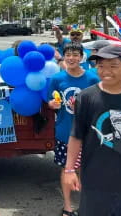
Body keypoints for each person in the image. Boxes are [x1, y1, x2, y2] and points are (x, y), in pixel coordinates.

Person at [64, 45, 121, 215]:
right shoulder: (86, 97)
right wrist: (69, 170)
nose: (105, 71)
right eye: (101, 66)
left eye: (113, 66)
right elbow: (76, 135)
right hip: (96, 177)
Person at [47, 43, 99, 216]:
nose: (71, 58)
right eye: (68, 54)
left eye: (75, 55)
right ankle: (67, 206)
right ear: (64, 56)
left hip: (89, 132)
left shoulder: (92, 78)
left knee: (87, 169)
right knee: (67, 169)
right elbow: (50, 101)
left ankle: (85, 205)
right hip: (65, 131)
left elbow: (101, 103)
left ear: (81, 57)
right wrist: (52, 104)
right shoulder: (57, 79)